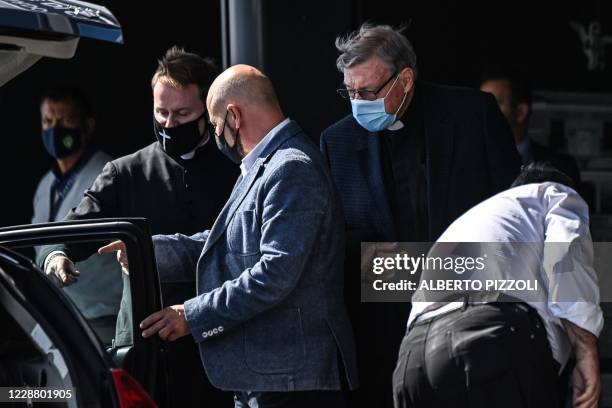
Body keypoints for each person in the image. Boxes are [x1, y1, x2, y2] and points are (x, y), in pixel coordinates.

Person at [102, 64, 359, 408]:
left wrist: (191, 315)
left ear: (234, 116)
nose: (216, 134)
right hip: (274, 379)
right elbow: (225, 243)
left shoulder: (290, 167)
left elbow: (274, 275)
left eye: (215, 124)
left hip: (292, 381)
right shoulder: (266, 164)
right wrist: (148, 252)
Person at [319, 23, 522, 407]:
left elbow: (514, 210)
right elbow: (333, 241)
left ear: (405, 79)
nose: (357, 100)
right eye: (350, 91)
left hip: (472, 326)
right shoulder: (338, 141)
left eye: (368, 91)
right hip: (385, 341)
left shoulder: (471, 115)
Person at [40, 46, 239, 407]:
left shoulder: (236, 168)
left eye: (182, 114)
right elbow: (73, 230)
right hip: (149, 347)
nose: (169, 124)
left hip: (223, 337)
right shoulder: (126, 171)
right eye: (161, 112)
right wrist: (58, 256)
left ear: (208, 112)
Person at [393, 163, 603, 408]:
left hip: (413, 359)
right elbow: (567, 257)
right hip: (491, 342)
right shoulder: (555, 194)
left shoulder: (474, 219)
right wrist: (586, 352)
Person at [32, 86, 122, 344]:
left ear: (87, 126)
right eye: (48, 121)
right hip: (60, 317)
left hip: (104, 318)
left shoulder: (107, 175)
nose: (55, 129)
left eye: (66, 120)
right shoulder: (46, 184)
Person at [480, 70, 581, 184]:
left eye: (493, 104)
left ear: (521, 112)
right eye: (481, 105)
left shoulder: (563, 167)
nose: (484, 112)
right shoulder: (472, 164)